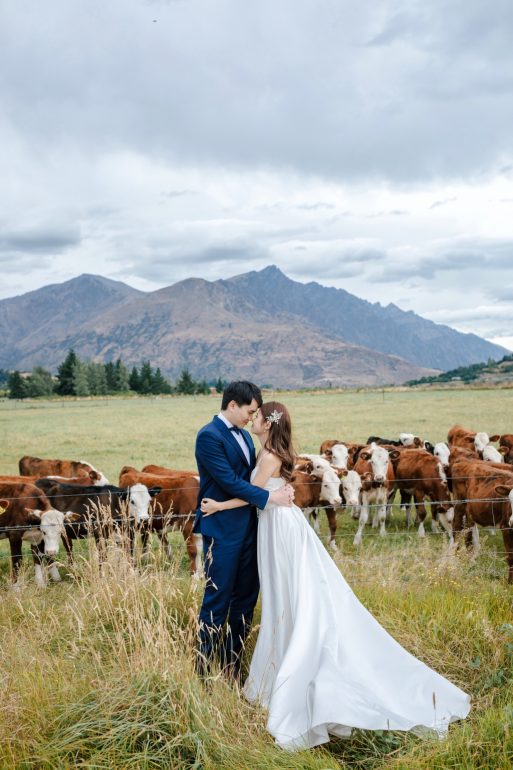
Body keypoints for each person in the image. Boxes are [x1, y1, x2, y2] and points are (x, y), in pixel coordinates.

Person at [200, 400, 471, 750]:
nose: (253, 419)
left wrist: (220, 504)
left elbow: (252, 495)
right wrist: (275, 495)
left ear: (268, 423)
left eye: (258, 416)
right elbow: (264, 493)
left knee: (289, 598)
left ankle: (294, 672)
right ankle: (281, 666)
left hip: (278, 529)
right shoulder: (273, 451)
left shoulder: (268, 456)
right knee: (288, 597)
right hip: (279, 524)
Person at [194, 381, 294, 681]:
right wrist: (269, 498)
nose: (252, 417)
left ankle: (232, 664)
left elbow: (256, 479)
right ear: (233, 404)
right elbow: (229, 482)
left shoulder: (248, 440)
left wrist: (271, 493)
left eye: (255, 414)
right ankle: (204, 668)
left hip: (252, 529)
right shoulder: (209, 436)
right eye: (249, 411)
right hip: (223, 530)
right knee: (217, 597)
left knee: (246, 598)